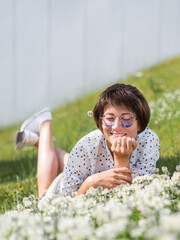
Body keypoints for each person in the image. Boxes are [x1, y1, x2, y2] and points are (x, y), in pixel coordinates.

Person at [15, 83, 160, 198]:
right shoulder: (86, 147)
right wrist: (91, 183)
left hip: (87, 167)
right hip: (72, 187)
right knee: (44, 195)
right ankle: (44, 123)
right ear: (100, 121)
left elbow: (130, 196)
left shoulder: (149, 140)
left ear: (140, 123)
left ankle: (35, 139)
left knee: (76, 160)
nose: (116, 126)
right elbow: (66, 202)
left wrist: (120, 157)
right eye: (109, 119)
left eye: (127, 119)